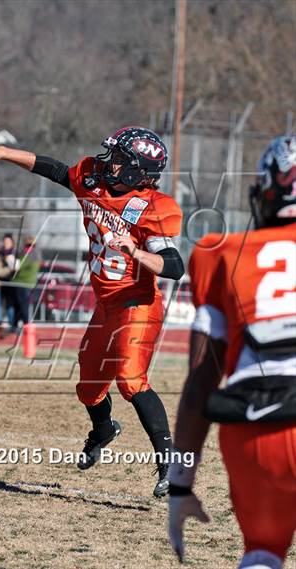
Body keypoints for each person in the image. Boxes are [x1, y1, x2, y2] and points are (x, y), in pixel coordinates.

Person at [0, 126, 185, 497]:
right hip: (106, 306)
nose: (107, 164)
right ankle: (103, 430)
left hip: (138, 303)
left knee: (130, 380)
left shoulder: (154, 207)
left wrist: (135, 253)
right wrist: (2, 153)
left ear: (137, 171)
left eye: (118, 161)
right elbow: (53, 169)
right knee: (89, 390)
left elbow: (174, 265)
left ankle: (170, 465)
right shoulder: (94, 183)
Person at [168, 135, 296, 567]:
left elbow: (202, 378)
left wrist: (181, 484)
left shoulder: (220, 254)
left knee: (262, 554)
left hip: (258, 426)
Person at [10, 235, 41, 333]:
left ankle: (25, 326)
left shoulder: (27, 254)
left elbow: (19, 267)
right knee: (21, 305)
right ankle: (17, 325)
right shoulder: (36, 254)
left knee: (22, 306)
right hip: (29, 283)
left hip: (22, 283)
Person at [0, 233, 17, 328]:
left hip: (11, 282)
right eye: (5, 241)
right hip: (1, 281)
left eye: (8, 241)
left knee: (10, 304)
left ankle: (12, 324)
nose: (6, 243)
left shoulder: (15, 252)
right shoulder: (0, 252)